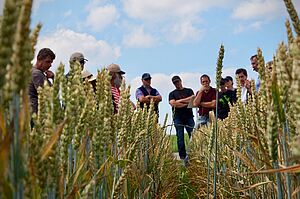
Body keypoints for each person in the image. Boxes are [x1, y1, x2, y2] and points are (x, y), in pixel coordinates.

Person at [169, 76, 195, 164]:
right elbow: (173, 104)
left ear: (181, 81)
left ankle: (194, 153)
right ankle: (183, 157)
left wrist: (179, 101)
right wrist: (186, 103)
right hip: (178, 118)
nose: (177, 84)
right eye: (175, 83)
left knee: (193, 136)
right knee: (180, 138)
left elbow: (193, 101)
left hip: (189, 117)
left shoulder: (189, 90)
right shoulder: (172, 94)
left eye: (177, 82)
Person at [29, 48, 56, 115]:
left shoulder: (34, 72)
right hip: (35, 114)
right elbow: (49, 94)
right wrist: (54, 78)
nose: (50, 65)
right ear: (39, 60)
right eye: (48, 61)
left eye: (51, 62)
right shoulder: (37, 74)